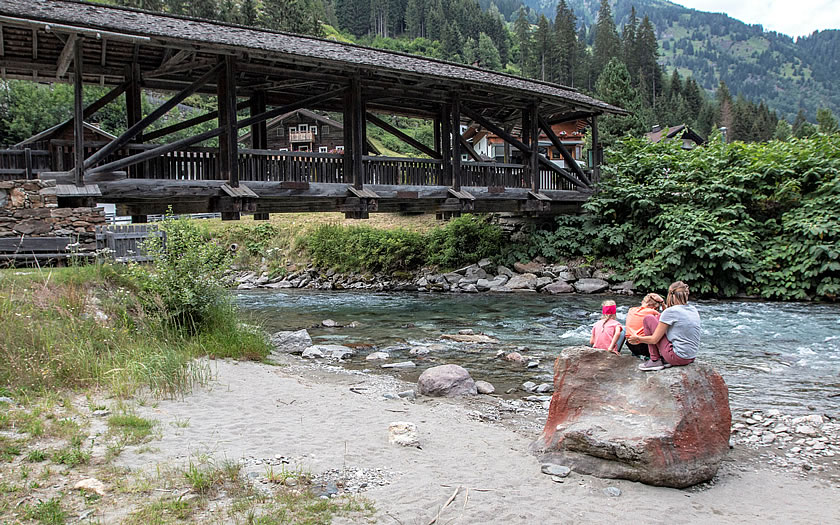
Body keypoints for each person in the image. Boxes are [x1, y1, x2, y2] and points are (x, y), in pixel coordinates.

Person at [627, 281, 700, 371]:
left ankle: (654, 360)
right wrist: (661, 302)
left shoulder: (671, 312)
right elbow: (665, 316)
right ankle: (662, 359)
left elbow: (654, 339)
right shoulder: (693, 309)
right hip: (690, 357)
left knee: (648, 319)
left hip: (677, 358)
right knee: (658, 317)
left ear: (671, 295)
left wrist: (638, 338)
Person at [624, 293, 665, 358]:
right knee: (662, 328)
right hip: (644, 346)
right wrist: (662, 302)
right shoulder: (652, 312)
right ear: (655, 307)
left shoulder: (631, 310)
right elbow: (667, 317)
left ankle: (636, 355)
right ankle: (652, 357)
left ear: (643, 302)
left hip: (630, 344)